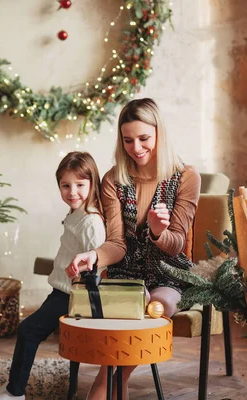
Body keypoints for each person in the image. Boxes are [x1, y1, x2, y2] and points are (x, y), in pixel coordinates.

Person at [66, 98, 201, 400]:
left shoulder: (186, 177)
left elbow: (177, 242)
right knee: (125, 307)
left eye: (144, 139)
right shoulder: (114, 179)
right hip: (126, 275)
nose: (136, 147)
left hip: (169, 274)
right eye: (128, 140)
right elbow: (116, 243)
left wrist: (158, 232)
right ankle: (115, 388)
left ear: (159, 135)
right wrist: (94, 256)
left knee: (155, 308)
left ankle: (106, 383)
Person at [0, 151, 106, 400]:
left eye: (80, 185)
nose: (72, 192)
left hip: (73, 295)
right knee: (28, 331)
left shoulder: (91, 221)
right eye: (65, 185)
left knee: (28, 331)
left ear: (92, 184)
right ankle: (13, 386)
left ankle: (15, 392)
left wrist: (83, 271)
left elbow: (98, 260)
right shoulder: (77, 214)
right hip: (61, 290)